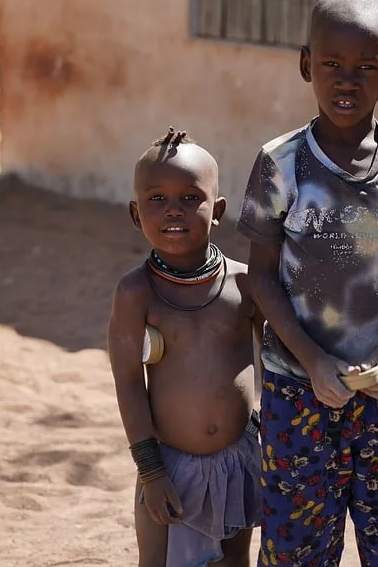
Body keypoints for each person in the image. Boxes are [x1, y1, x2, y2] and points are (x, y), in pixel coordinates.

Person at [237, 0, 378, 565]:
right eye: (332, 64)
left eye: (367, 66)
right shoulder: (279, 164)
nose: (347, 80)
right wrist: (313, 361)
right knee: (296, 550)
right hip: (297, 391)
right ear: (305, 63)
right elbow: (260, 278)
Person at [108, 128, 265, 567]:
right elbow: (128, 382)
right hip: (167, 466)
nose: (173, 210)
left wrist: (270, 430)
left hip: (240, 460)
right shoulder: (135, 292)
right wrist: (151, 471)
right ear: (136, 215)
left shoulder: (244, 284)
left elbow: (275, 361)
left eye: (189, 198)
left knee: (233, 563)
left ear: (217, 211)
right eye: (156, 199)